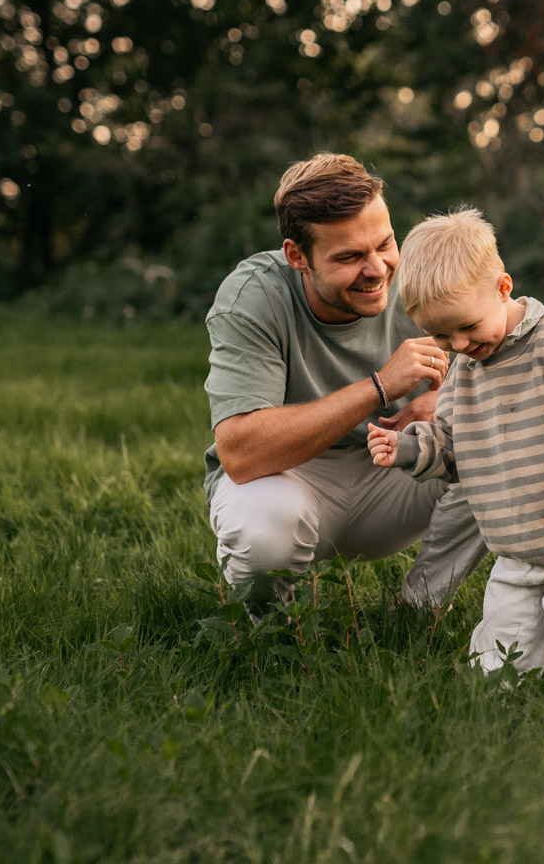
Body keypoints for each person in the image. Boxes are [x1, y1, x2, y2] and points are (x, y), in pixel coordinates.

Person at [366, 209, 544, 688]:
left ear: (502, 288)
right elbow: (456, 446)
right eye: (440, 336)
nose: (458, 344)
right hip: (517, 546)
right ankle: (501, 709)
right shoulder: (467, 366)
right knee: (496, 663)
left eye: (467, 327)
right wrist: (409, 450)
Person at [202, 153, 486, 614]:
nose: (377, 270)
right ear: (297, 256)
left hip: (396, 472)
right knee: (264, 526)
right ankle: (268, 634)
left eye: (385, 243)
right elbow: (240, 452)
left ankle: (417, 612)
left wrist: (449, 400)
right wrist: (380, 386)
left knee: (510, 450)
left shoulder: (421, 275)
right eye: (350, 257)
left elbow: (512, 368)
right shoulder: (254, 296)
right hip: (290, 477)